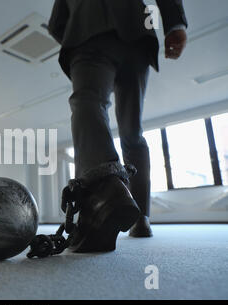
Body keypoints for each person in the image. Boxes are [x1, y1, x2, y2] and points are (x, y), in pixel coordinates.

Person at [48, 0, 187, 252]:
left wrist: (75, 33)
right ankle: (141, 218)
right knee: (133, 133)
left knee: (88, 102)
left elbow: (57, 23)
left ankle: (103, 198)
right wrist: (174, 22)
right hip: (136, 32)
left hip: (87, 33)